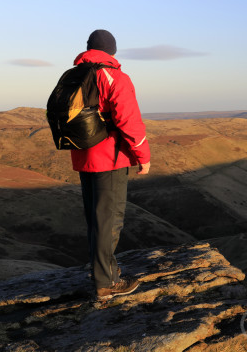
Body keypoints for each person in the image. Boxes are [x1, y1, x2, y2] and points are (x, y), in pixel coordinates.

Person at [72, 29, 151, 300]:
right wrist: (143, 156)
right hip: (110, 158)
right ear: (112, 51)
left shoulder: (76, 75)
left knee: (96, 220)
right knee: (110, 220)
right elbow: (129, 120)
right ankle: (106, 283)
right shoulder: (113, 76)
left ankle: (106, 273)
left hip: (84, 156)